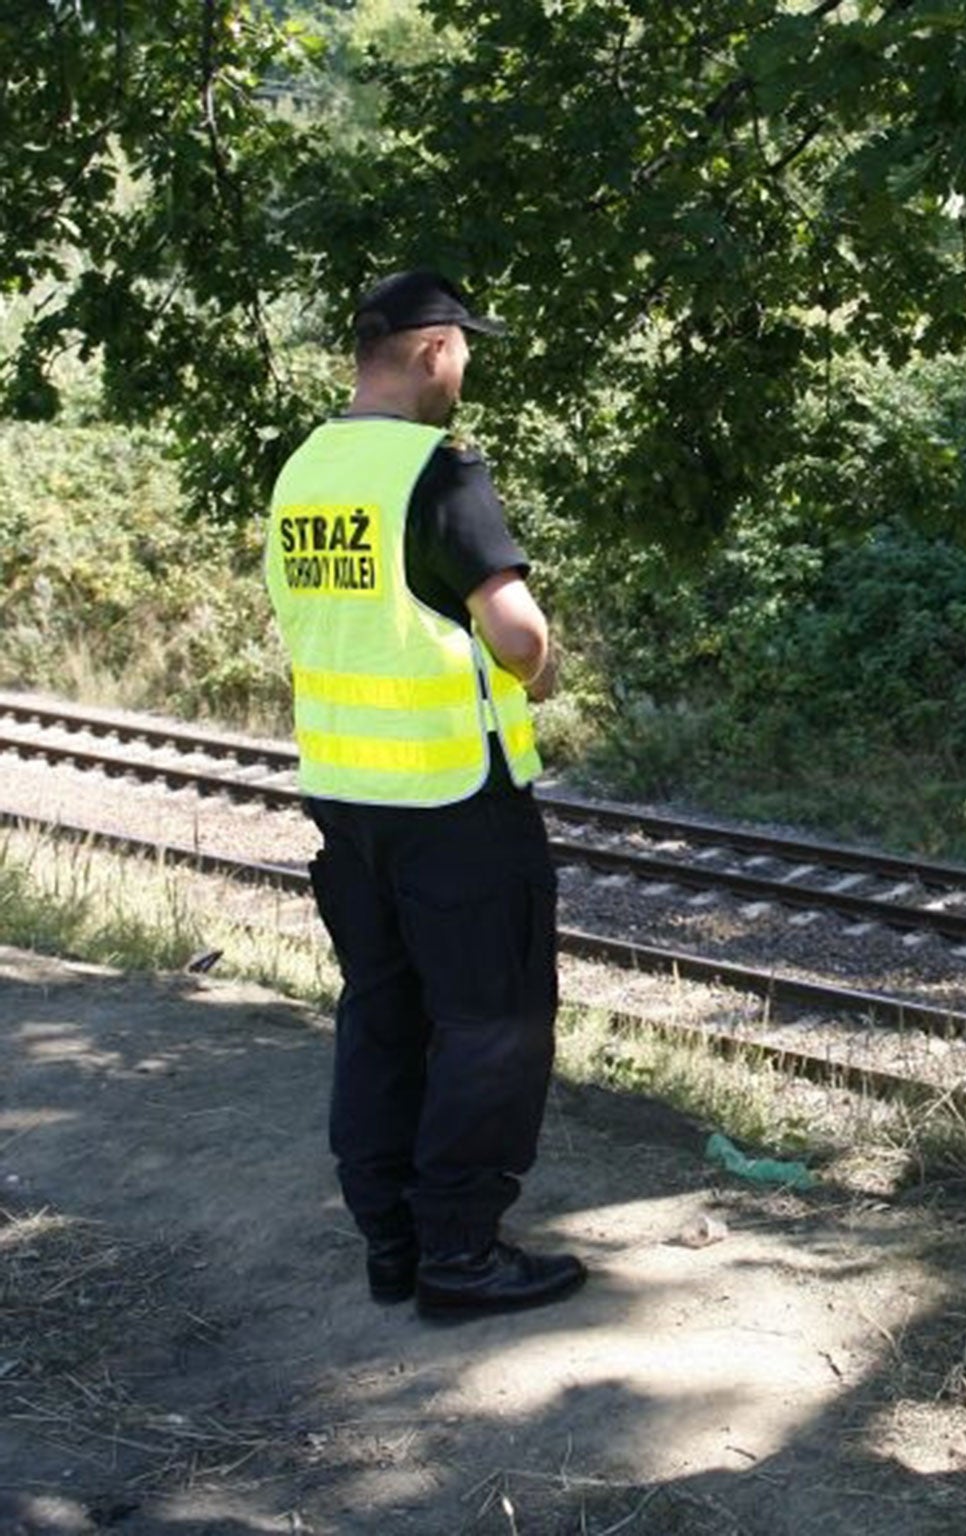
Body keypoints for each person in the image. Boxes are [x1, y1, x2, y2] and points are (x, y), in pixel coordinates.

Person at [264, 269, 586, 1320]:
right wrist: (539, 673)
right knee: (493, 1022)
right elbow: (516, 632)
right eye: (465, 348)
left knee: (384, 1012)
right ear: (432, 350)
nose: (467, 368)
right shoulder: (437, 471)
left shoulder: (304, 471)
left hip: (347, 796)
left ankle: (394, 1246)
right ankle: (462, 1253)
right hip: (453, 797)